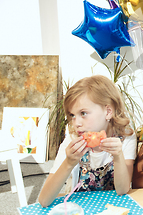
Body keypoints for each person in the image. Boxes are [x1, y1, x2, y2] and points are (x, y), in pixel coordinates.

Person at [38, 75, 136, 207]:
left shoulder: (126, 137)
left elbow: (123, 189)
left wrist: (118, 156)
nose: (76, 123)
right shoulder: (72, 141)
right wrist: (69, 162)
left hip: (114, 207)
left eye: (83, 113)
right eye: (72, 115)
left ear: (108, 112)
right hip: (79, 207)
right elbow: (44, 200)